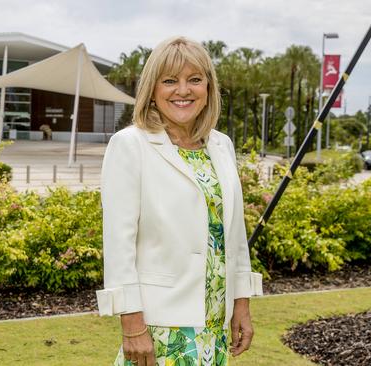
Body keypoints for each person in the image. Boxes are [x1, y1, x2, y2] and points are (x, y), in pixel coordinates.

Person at [96, 36, 263, 366]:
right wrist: (131, 326)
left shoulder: (221, 145)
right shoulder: (130, 145)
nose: (183, 90)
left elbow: (234, 235)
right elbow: (119, 243)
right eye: (170, 80)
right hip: (161, 325)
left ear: (208, 88)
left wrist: (241, 303)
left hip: (214, 324)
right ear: (153, 90)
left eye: (195, 80)